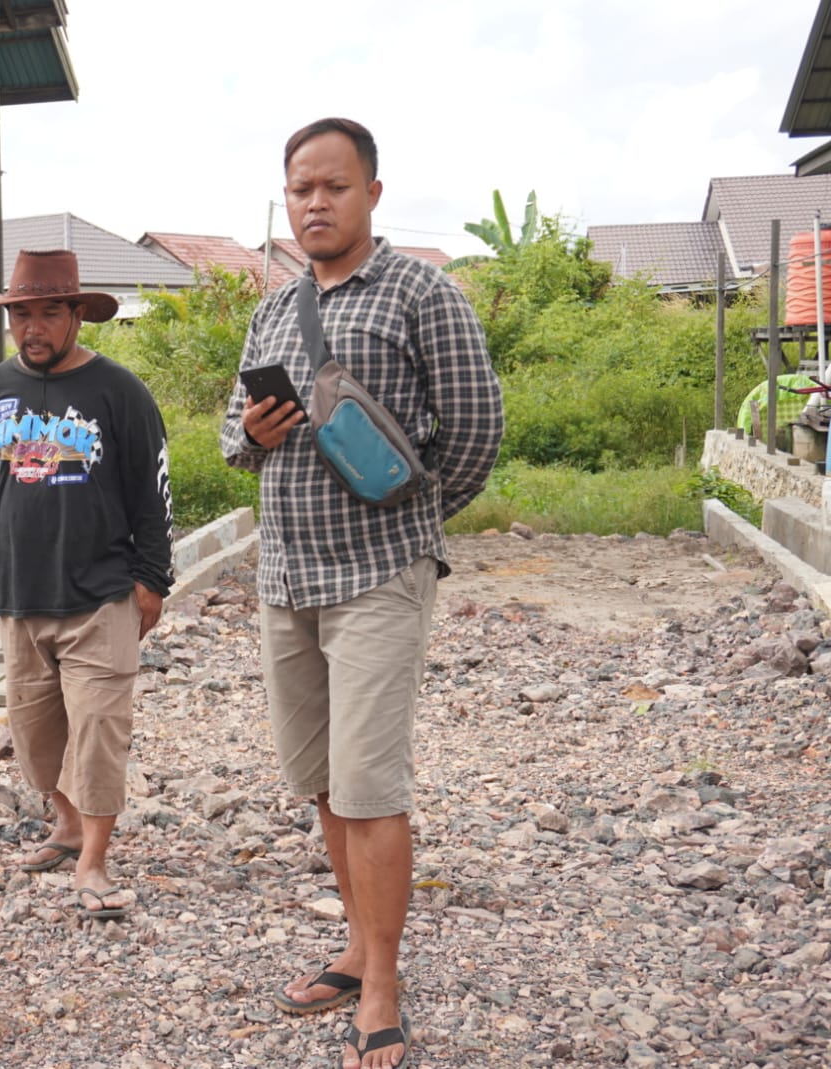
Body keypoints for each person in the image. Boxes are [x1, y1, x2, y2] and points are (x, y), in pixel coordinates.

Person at [221, 119, 503, 1069]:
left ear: (373, 192)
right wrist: (256, 434)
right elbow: (232, 441)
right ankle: (354, 943)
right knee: (324, 782)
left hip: (378, 575)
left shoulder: (421, 290)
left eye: (334, 186)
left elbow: (473, 429)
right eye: (301, 188)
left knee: (373, 786)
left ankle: (381, 981)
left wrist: (412, 529)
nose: (315, 203)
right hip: (286, 575)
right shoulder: (273, 310)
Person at [0, 249, 173, 921]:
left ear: (77, 314)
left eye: (49, 312)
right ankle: (67, 822)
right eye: (21, 313)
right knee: (37, 735)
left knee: (100, 730)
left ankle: (94, 859)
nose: (33, 327)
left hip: (100, 593)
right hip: (19, 594)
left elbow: (152, 490)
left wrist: (152, 578)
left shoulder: (119, 391)